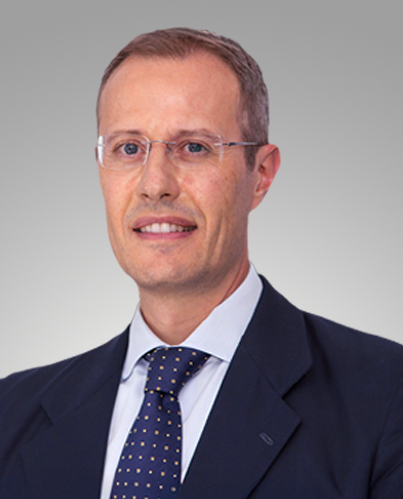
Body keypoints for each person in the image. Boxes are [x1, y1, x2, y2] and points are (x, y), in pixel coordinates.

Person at [0, 27, 402, 499]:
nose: (155, 184)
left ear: (261, 174)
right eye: (129, 148)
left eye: (193, 147)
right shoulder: (11, 413)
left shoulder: (386, 398)